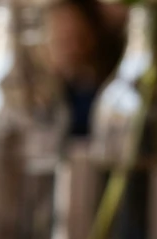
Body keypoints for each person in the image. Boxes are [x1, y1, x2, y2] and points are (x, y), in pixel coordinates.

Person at [49, 0, 123, 137]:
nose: (71, 48)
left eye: (77, 38)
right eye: (62, 40)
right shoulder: (46, 90)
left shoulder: (107, 86)